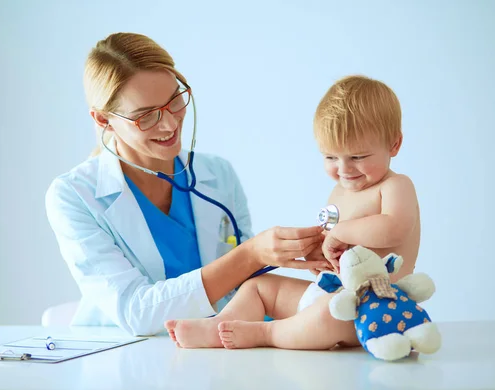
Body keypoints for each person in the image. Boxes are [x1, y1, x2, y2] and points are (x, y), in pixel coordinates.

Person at [44, 32, 329, 336]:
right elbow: (135, 311)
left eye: (173, 101)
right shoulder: (73, 196)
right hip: (127, 357)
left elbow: (243, 285)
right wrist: (250, 254)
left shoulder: (218, 174)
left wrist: (296, 252)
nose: (169, 124)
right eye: (146, 116)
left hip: (215, 349)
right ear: (103, 120)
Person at [165, 75, 421, 350]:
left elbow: (395, 226)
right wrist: (319, 255)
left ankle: (266, 333)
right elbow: (336, 251)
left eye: (357, 157)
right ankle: (220, 324)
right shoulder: (339, 192)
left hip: (372, 309)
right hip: (330, 293)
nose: (344, 169)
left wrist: (340, 233)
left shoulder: (395, 186)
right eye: (331, 157)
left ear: (394, 145)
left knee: (326, 315)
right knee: (258, 286)